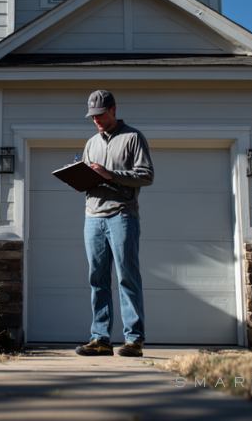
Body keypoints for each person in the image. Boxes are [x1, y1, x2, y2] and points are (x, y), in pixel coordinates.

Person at [74, 89, 154, 357]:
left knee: (127, 277)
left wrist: (109, 175)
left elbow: (145, 176)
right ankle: (100, 339)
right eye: (92, 116)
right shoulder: (90, 143)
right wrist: (80, 177)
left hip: (122, 215)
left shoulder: (133, 137)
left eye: (100, 114)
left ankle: (134, 340)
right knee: (97, 278)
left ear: (113, 110)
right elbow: (89, 178)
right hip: (92, 217)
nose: (96, 120)